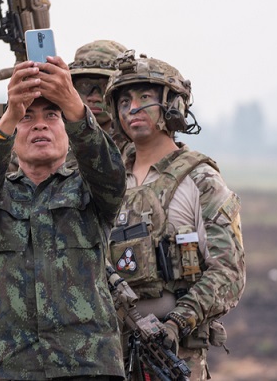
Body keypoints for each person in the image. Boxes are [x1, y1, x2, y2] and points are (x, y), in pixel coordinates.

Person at [0, 57, 127, 380]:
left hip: (86, 365)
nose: (40, 125)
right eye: (27, 118)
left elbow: (112, 174)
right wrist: (9, 116)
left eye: (52, 115)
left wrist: (73, 105)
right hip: (6, 365)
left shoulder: (90, 191)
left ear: (68, 131)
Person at [103, 50, 245, 380]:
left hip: (173, 355)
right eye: (124, 100)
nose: (133, 107)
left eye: (145, 97)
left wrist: (176, 323)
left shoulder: (200, 179)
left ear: (173, 105)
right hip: (112, 354)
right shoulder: (109, 182)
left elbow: (229, 271)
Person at [68, 39, 131, 153]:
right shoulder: (57, 141)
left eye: (105, 86)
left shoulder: (139, 147)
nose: (94, 97)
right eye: (85, 85)